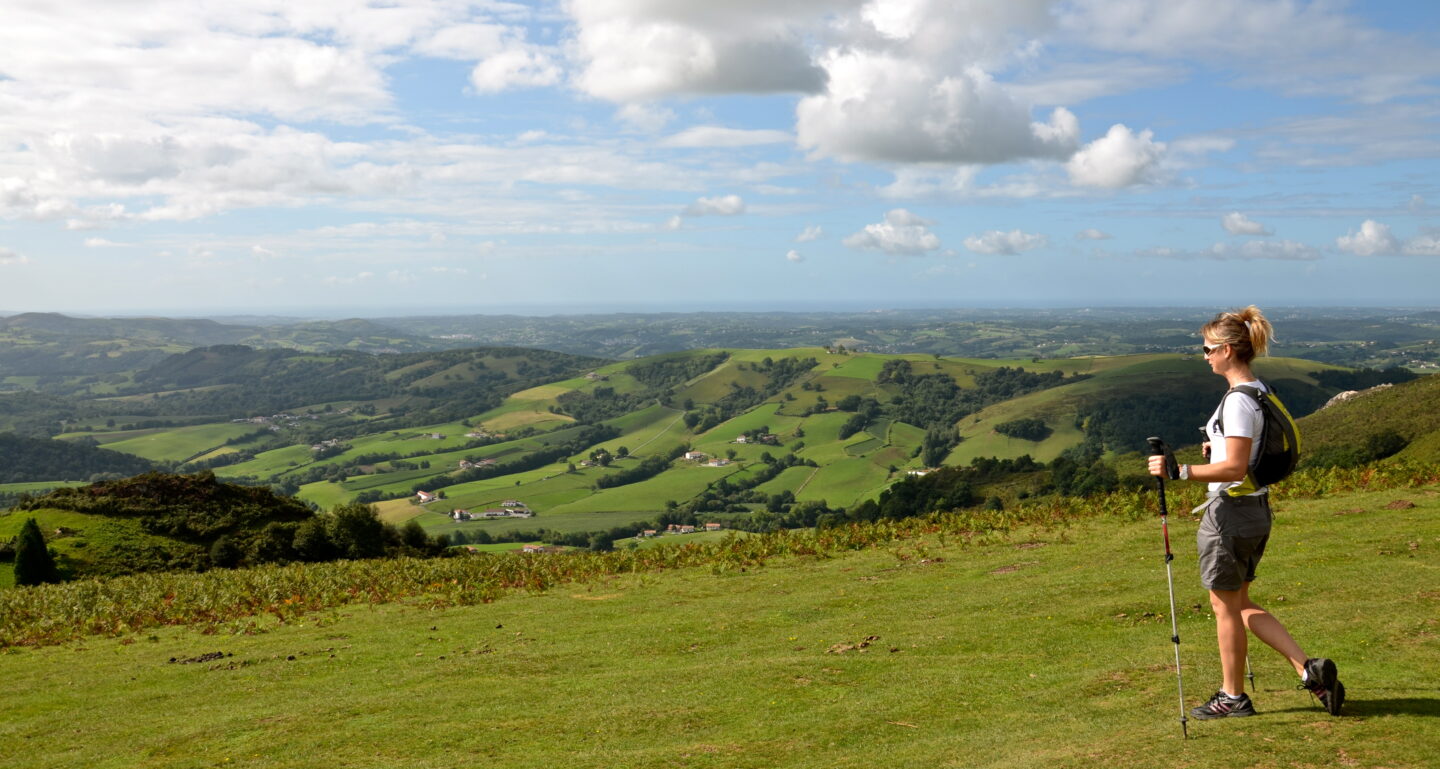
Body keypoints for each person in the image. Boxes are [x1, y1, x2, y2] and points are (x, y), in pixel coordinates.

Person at [1147, 306, 1344, 720]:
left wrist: (1178, 470)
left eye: (1207, 348)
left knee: (1224, 606)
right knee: (1240, 602)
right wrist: (1214, 448)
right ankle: (1310, 673)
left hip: (1230, 516)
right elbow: (1245, 450)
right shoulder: (1258, 388)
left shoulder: (1238, 400)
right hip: (1256, 509)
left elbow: (1235, 468)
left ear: (1228, 350)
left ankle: (1232, 697)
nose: (1204, 356)